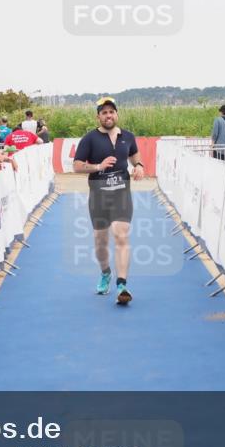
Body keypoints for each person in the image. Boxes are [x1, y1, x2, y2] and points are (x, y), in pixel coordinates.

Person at [72, 97, 145, 305]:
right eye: (104, 113)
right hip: (98, 195)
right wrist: (98, 166)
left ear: (117, 114)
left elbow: (134, 157)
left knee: (121, 235)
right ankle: (105, 273)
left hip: (121, 193)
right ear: (98, 117)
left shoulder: (128, 136)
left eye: (111, 112)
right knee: (101, 241)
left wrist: (139, 166)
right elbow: (77, 166)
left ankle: (122, 284)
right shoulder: (90, 139)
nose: (108, 115)